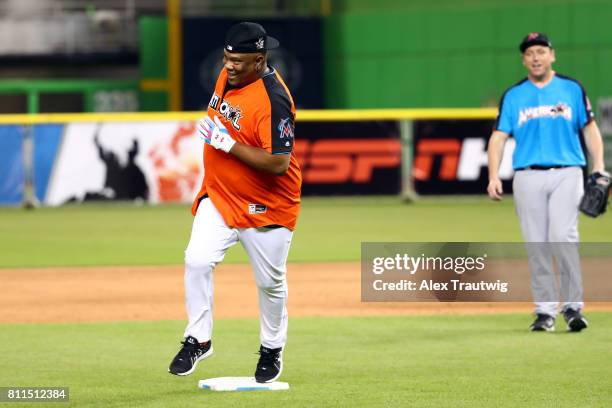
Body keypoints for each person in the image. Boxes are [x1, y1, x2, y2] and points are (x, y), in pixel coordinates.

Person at [168, 22, 301, 382]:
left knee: (270, 284)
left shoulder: (274, 99)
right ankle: (199, 339)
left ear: (259, 60)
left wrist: (227, 144)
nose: (228, 66)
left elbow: (278, 163)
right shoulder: (228, 78)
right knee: (196, 259)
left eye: (237, 61)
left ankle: (272, 348)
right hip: (221, 195)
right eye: (227, 58)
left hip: (267, 204)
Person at [487, 33, 607, 332]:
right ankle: (544, 312)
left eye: (541, 51)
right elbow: (498, 138)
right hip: (527, 175)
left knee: (562, 236)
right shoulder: (514, 95)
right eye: (529, 53)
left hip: (568, 171)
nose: (536, 57)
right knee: (536, 242)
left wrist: (600, 166)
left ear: (552, 55)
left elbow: (590, 129)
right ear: (523, 59)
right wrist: (493, 174)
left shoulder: (571, 89)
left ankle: (573, 307)